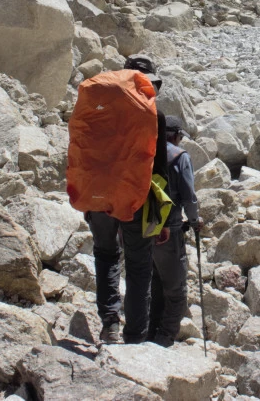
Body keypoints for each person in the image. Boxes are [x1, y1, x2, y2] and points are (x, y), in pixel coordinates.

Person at [86, 54, 167, 344]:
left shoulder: (99, 107)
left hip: (100, 194)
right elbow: (159, 170)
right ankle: (135, 336)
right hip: (137, 198)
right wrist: (164, 217)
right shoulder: (154, 115)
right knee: (138, 266)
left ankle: (110, 323)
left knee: (106, 254)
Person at [148, 116, 202, 347]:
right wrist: (195, 220)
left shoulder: (145, 151)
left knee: (155, 284)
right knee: (176, 290)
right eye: (180, 137)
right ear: (175, 135)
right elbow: (188, 196)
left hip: (143, 228)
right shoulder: (180, 157)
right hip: (169, 230)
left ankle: (149, 332)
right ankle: (165, 337)